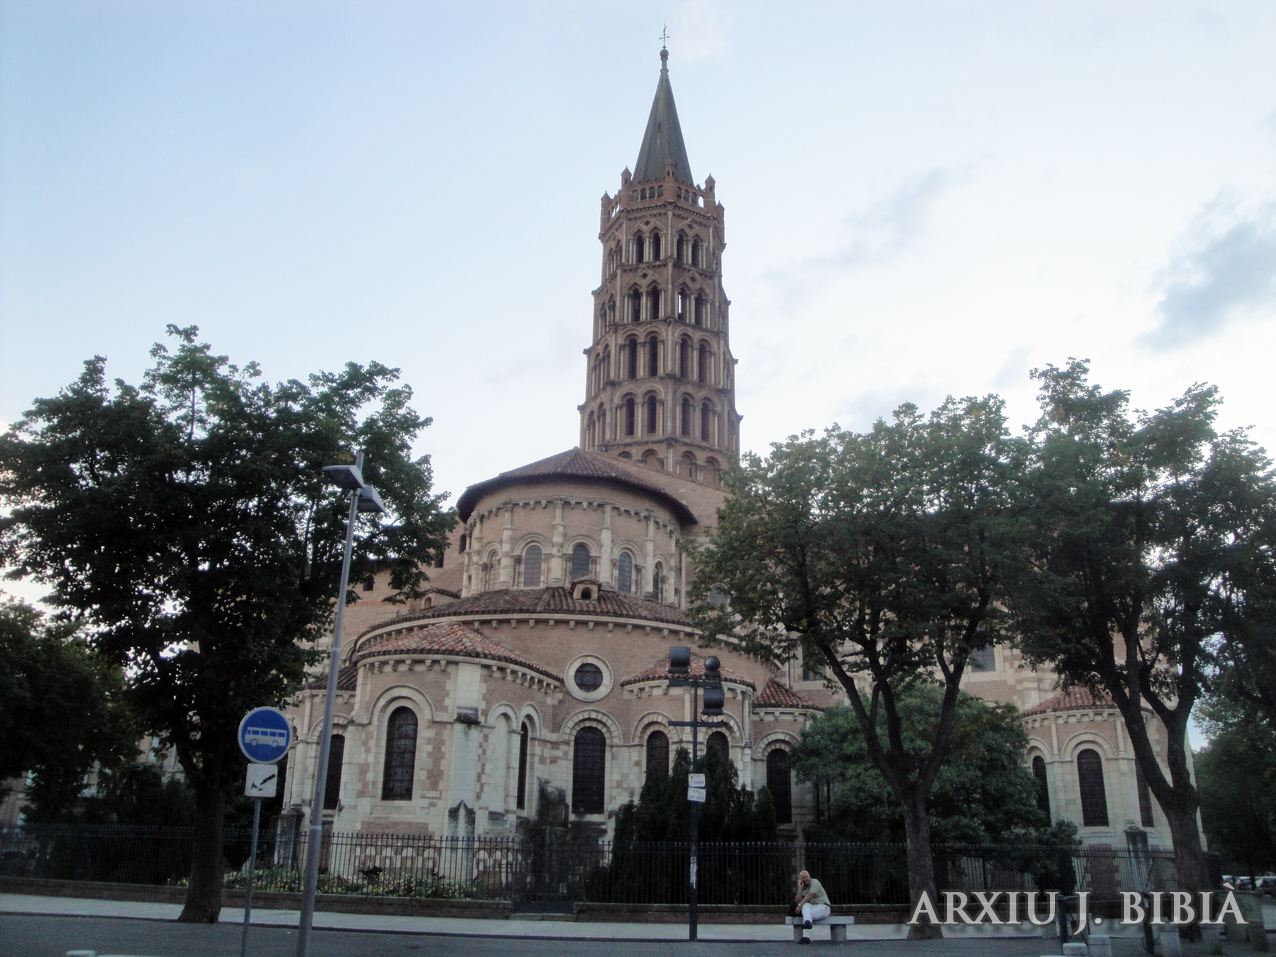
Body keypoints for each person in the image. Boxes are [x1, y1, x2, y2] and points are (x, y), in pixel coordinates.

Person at [793, 870, 831, 944]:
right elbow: (797, 901)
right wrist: (800, 888)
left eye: (806, 877)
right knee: (806, 906)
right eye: (803, 878)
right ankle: (806, 935)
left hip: (823, 907)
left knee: (806, 913)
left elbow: (810, 895)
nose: (805, 879)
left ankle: (806, 937)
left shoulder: (815, 882)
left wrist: (799, 906)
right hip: (813, 908)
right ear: (800, 879)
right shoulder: (803, 887)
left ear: (809, 876)